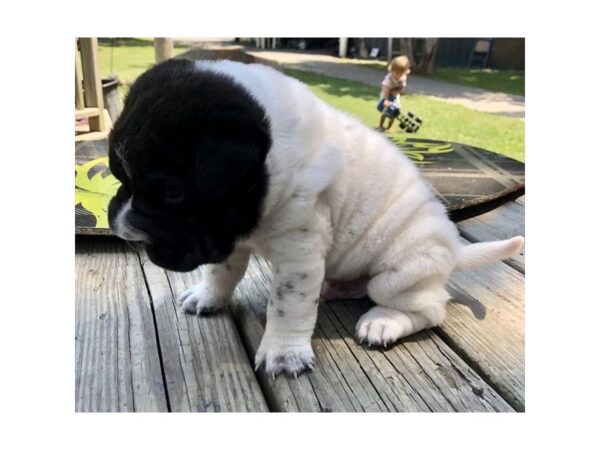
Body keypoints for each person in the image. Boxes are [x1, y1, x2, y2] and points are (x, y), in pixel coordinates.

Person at [377, 55, 411, 131]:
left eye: (400, 73)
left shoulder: (403, 77)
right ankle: (380, 126)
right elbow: (385, 89)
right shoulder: (389, 78)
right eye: (395, 72)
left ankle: (390, 127)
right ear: (392, 70)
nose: (398, 75)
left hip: (395, 95)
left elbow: (402, 89)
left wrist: (396, 92)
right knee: (385, 111)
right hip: (385, 95)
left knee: (395, 110)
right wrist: (386, 100)